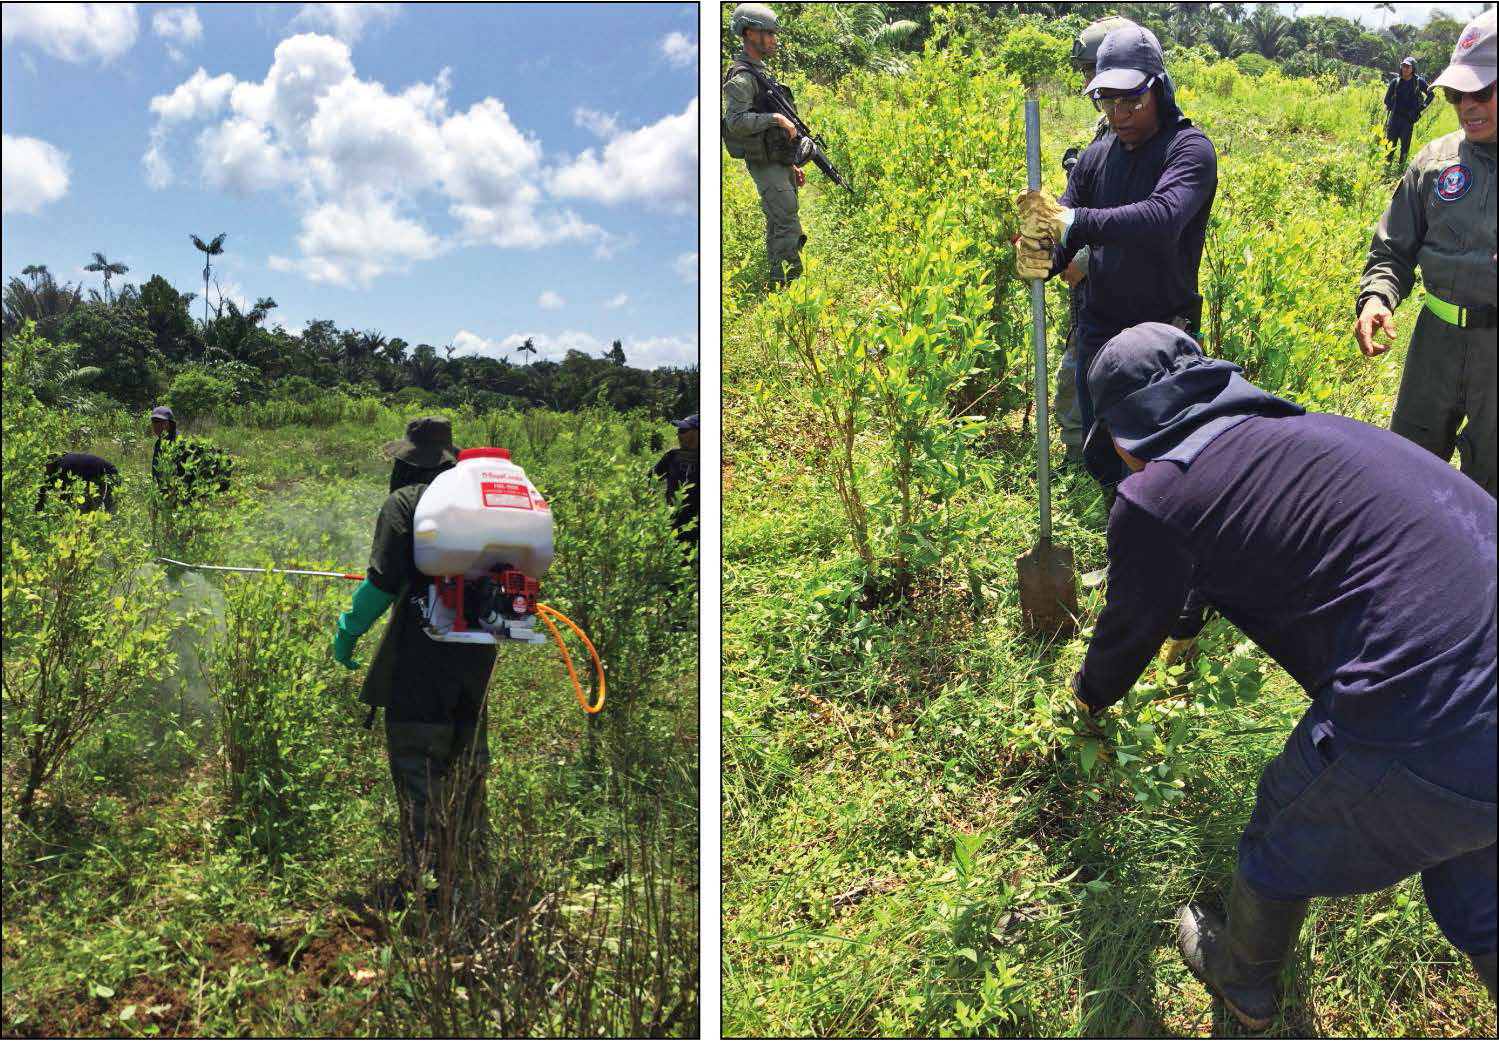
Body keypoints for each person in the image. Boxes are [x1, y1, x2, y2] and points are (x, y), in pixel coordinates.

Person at [1067, 323, 1496, 1029]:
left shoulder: (1155, 498)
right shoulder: (1300, 436)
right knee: (1478, 876)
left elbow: (1125, 627)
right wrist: (1187, 625)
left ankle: (1242, 984)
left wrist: (1087, 695)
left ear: (1120, 433)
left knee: (1284, 829)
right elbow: (1227, 547)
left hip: (1430, 710)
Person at [1015, 24, 1218, 447]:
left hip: (1163, 336)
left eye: (1132, 99)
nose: (1119, 114)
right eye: (1107, 100)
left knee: (1159, 460)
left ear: (1159, 89)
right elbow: (1064, 232)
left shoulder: (1188, 150)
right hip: (1101, 333)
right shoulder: (1096, 155)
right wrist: (1041, 250)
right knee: (1105, 455)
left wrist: (1073, 221)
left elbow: (1162, 220)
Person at [331, 417, 495, 910]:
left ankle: (428, 886)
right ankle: (469, 869)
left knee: (420, 768)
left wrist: (348, 630)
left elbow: (380, 584)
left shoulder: (404, 504)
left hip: (419, 663)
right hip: (478, 657)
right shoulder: (480, 504)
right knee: (466, 763)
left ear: (405, 462)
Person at [1356, 7, 1497, 498]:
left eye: (1482, 92)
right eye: (1457, 94)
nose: (1467, 106)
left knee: (1488, 493)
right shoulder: (1435, 163)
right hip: (1433, 344)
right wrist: (1377, 297)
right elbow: (1393, 249)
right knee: (1407, 477)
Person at [1054, 15, 1138, 467]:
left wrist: (1082, 256)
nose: (1089, 82)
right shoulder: (1105, 134)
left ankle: (1099, 463)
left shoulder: (1153, 139)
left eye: (1093, 69)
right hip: (1095, 282)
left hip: (1122, 286)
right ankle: (1085, 456)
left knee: (1104, 373)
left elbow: (1135, 219)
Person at [722, 2, 806, 288]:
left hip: (778, 158)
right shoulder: (742, 77)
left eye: (773, 34)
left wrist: (792, 162)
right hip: (763, 160)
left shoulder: (761, 73)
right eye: (767, 33)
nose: (773, 40)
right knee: (786, 220)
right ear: (749, 34)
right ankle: (789, 286)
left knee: (778, 218)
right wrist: (775, 119)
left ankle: (778, 282)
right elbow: (735, 122)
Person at [652, 414, 700, 549]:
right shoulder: (672, 457)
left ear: (698, 432)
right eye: (678, 431)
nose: (679, 435)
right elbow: (651, 479)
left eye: (684, 431)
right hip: (675, 521)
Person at [1384, 56, 1436, 169]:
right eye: (1403, 66)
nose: (1405, 68)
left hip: (1408, 120)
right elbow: (1386, 100)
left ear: (1413, 68)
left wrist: (1420, 108)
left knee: (1405, 147)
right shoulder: (1396, 82)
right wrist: (1395, 107)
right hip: (1395, 119)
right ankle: (1386, 169)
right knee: (1390, 145)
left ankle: (1400, 169)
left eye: (1408, 66)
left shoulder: (1418, 82)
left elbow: (1431, 95)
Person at [37, 452, 119, 513]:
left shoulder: (64, 466)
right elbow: (46, 486)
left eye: (46, 467)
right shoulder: (64, 460)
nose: (45, 471)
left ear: (52, 463)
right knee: (89, 503)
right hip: (97, 474)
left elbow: (65, 494)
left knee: (104, 507)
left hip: (108, 474)